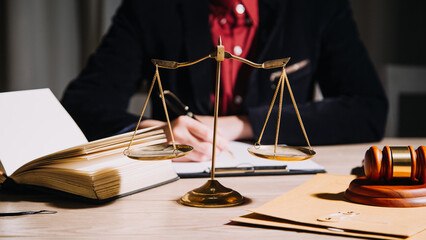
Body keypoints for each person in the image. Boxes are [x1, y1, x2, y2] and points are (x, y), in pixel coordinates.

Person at [61, 0, 388, 162]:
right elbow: (81, 106)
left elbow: (367, 109)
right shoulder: (150, 8)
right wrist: (153, 132)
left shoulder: (316, 7)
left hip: (281, 187)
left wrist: (242, 124)